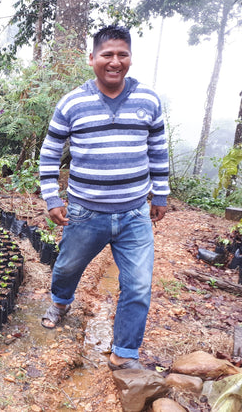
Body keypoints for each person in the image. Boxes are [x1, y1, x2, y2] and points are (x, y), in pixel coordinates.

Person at [38, 25, 169, 371]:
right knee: (67, 268)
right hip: (84, 212)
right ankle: (60, 303)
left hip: (134, 214)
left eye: (122, 54)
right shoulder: (72, 103)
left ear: (130, 58)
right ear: (92, 58)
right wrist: (52, 198)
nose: (115, 62)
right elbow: (50, 154)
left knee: (138, 286)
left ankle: (125, 351)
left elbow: (158, 152)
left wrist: (161, 194)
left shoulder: (149, 101)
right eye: (107, 55)